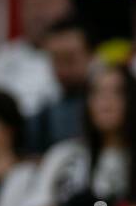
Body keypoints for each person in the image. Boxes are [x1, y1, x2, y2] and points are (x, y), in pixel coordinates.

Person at [35, 64, 136, 206]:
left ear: (134, 100)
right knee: (87, 204)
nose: (106, 101)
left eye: (117, 92)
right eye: (97, 93)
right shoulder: (63, 155)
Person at [0, 0, 69, 117]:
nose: (38, 11)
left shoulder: (79, 56)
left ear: (65, 5)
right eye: (30, 3)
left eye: (45, 1)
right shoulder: (1, 58)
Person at [29, 15, 93, 152]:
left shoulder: (118, 103)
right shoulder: (43, 117)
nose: (63, 69)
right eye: (56, 60)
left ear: (90, 54)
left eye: (70, 59)